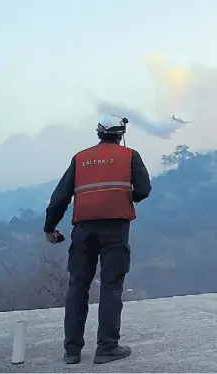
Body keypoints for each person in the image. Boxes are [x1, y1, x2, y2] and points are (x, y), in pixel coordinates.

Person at [43, 114, 152, 365]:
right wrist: (124, 197)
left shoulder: (80, 158)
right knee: (111, 285)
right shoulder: (130, 155)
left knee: (78, 286)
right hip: (115, 228)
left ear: (99, 133)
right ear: (120, 135)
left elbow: (60, 197)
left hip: (83, 229)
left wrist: (50, 229)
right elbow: (144, 189)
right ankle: (106, 349)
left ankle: (72, 351)